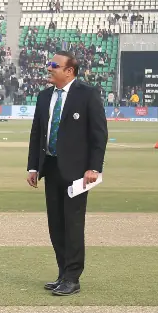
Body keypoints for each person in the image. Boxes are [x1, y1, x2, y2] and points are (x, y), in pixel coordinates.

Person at [27, 51, 108, 296]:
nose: (49, 68)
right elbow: (36, 133)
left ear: (69, 71)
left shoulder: (87, 94)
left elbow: (99, 134)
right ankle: (63, 273)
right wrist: (33, 167)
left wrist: (94, 168)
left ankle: (73, 278)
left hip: (77, 173)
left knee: (72, 225)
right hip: (50, 168)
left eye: (54, 65)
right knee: (56, 224)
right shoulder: (44, 96)